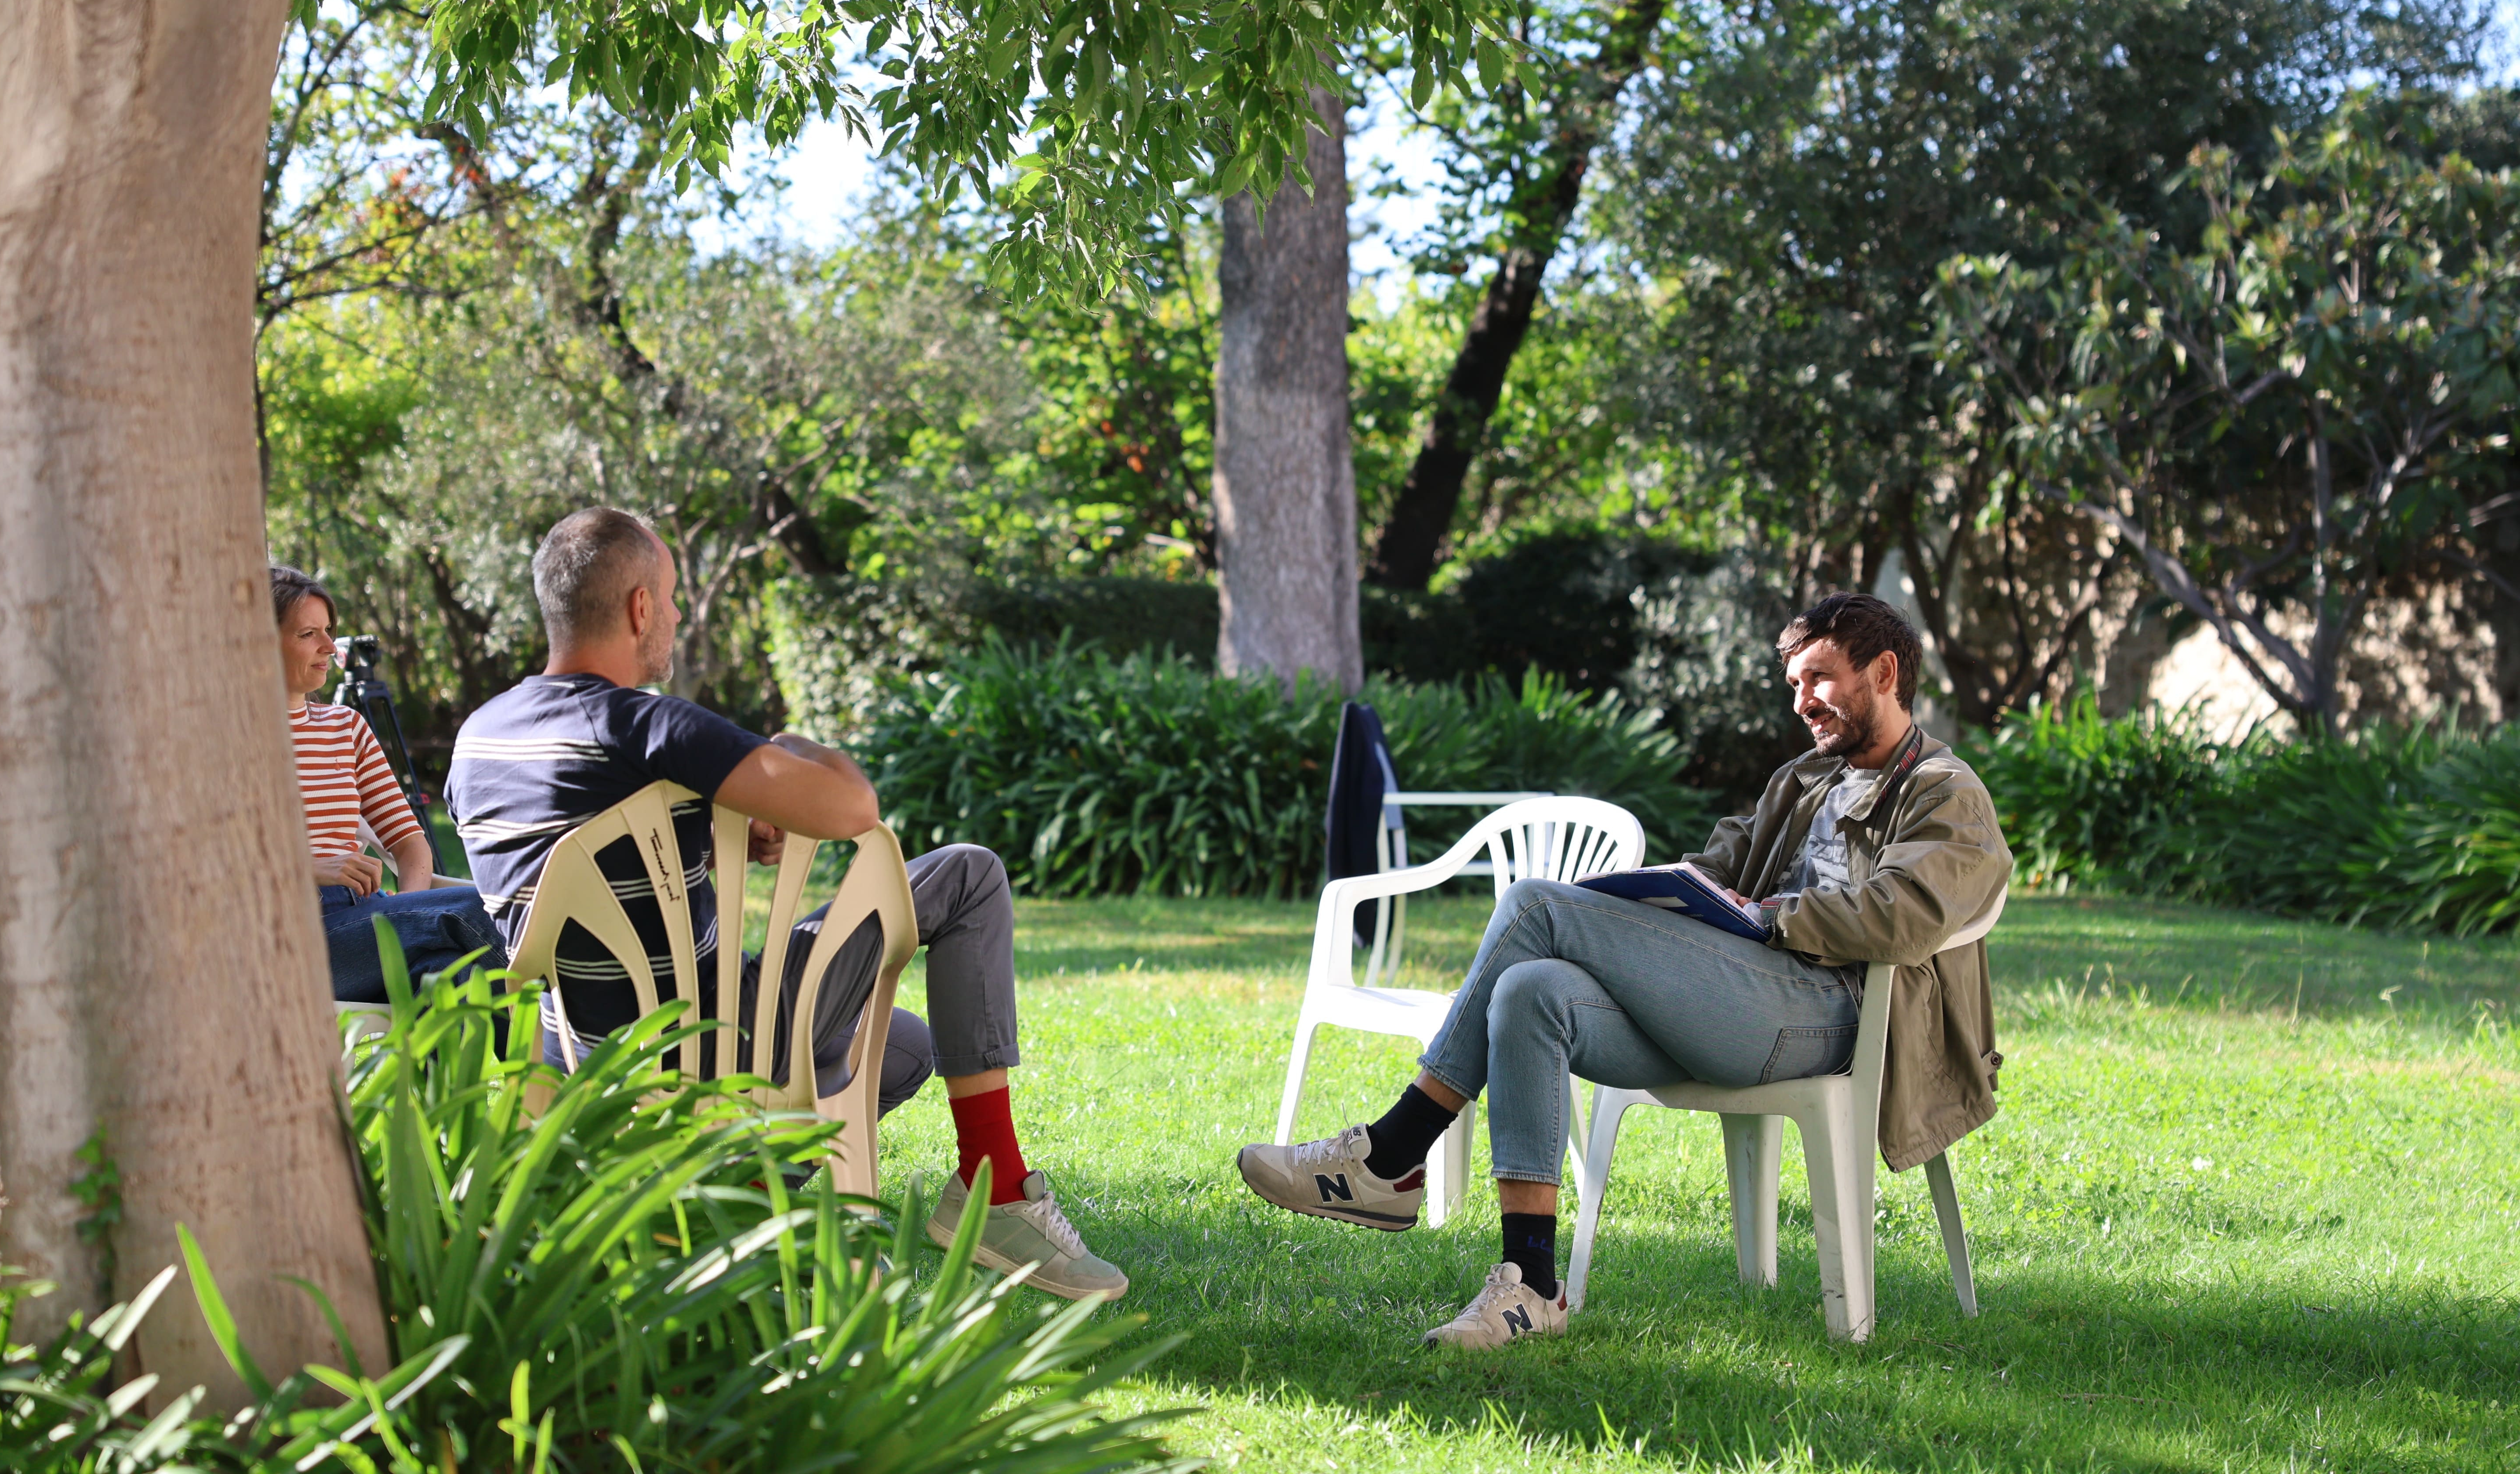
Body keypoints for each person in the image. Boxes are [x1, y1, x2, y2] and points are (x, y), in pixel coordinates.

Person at [1236, 592, 2011, 1348]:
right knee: (1530, 991)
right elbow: (1720, 865)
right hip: (1738, 1002)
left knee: (1535, 905)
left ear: (1883, 672)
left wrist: (1769, 916)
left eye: (1819, 678)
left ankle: (1394, 1153)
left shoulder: (1945, 792)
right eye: (1794, 683)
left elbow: (1905, 917)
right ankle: (1530, 1285)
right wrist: (1668, 896)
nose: (1802, 700)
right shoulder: (1805, 779)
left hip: (1836, 1018)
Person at [445, 507, 1127, 1302]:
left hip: (578, 1067)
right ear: (639, 606)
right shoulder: (638, 722)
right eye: (672, 599)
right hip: (712, 1048)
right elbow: (850, 809)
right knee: (969, 875)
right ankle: (997, 1187)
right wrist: (789, 747)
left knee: (905, 1048)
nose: (676, 616)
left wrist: (711, 833)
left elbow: (585, 852)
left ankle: (727, 1212)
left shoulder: (480, 738)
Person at [274, 567, 512, 1001]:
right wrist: (307, 869)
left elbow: (410, 844)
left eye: (328, 631)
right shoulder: (227, 743)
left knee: (451, 973)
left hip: (363, 922)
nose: (329, 647)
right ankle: (570, 1032)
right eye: (308, 634)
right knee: (478, 909)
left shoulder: (346, 727)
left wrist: (408, 909)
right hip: (288, 936)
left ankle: (534, 1044)